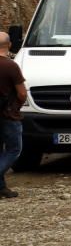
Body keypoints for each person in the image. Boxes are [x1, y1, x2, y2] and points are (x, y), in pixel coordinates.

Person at [0, 32, 28, 199]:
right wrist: (16, 107)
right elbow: (22, 93)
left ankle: (1, 187)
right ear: (9, 45)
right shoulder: (11, 66)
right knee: (14, 150)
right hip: (8, 115)